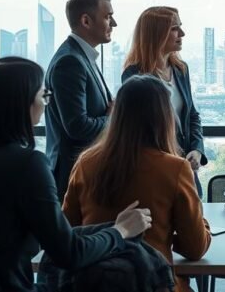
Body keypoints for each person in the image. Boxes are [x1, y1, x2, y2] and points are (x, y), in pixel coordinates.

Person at [0, 57, 151, 292]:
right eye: (43, 96)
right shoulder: (27, 164)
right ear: (22, 103)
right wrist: (121, 231)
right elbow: (69, 255)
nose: (46, 103)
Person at [63, 75, 211, 292]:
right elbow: (195, 248)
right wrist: (194, 226)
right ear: (164, 117)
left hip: (93, 284)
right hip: (153, 284)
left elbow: (69, 232)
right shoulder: (175, 168)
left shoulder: (86, 163)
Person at [122, 6, 206, 193]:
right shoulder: (134, 75)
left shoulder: (180, 69)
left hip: (186, 166)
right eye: (175, 28)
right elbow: (138, 128)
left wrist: (197, 150)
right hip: (155, 170)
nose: (182, 33)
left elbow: (192, 115)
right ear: (156, 34)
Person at [46, 0, 117, 198]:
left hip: (83, 172)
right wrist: (113, 117)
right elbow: (78, 127)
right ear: (86, 21)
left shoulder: (82, 57)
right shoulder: (70, 62)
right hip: (71, 177)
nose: (113, 24)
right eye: (108, 16)